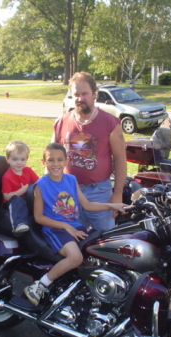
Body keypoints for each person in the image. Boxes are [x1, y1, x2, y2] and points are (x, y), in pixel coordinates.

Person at [24, 143, 126, 306]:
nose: (55, 164)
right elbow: (39, 218)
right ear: (43, 162)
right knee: (76, 257)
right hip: (55, 229)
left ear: (66, 161)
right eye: (51, 160)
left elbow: (87, 204)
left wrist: (112, 206)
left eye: (59, 160)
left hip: (75, 226)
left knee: (101, 248)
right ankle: (40, 285)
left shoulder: (71, 180)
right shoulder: (41, 185)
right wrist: (66, 227)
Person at [53, 72, 127, 231]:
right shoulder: (60, 123)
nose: (80, 98)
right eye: (76, 94)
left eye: (85, 93)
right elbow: (52, 159)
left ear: (94, 94)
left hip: (99, 192)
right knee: (73, 240)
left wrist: (117, 194)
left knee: (104, 242)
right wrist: (52, 188)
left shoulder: (111, 123)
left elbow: (120, 158)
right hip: (69, 192)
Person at [1, 140, 39, 234]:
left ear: (26, 159)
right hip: (13, 201)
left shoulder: (28, 170)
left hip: (28, 197)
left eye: (22, 159)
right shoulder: (7, 177)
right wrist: (21, 190)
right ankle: (18, 224)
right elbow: (6, 197)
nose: (19, 163)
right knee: (17, 201)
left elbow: (39, 182)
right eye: (15, 159)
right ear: (8, 159)